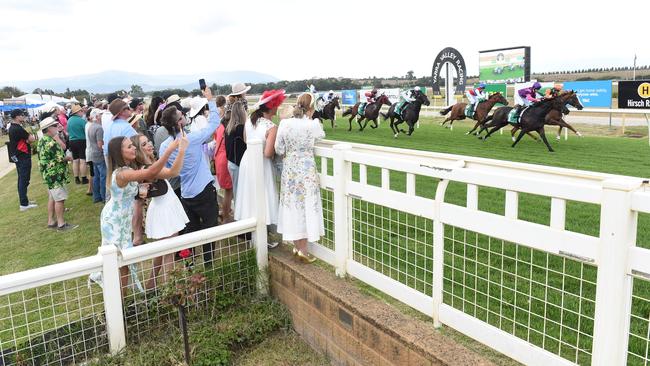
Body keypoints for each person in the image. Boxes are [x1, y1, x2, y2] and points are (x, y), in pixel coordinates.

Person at [90, 135, 180, 292]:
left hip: (124, 219)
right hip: (114, 220)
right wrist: (171, 149)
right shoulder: (122, 173)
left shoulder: (128, 170)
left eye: (133, 145)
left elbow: (128, 191)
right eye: (129, 146)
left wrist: (139, 190)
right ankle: (115, 300)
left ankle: (120, 300)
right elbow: (152, 171)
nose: (134, 148)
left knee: (124, 262)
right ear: (120, 152)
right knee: (117, 260)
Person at [159, 87, 221, 265]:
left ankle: (190, 264)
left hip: (186, 192)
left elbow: (171, 168)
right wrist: (210, 99)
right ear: (179, 122)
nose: (185, 115)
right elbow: (213, 123)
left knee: (190, 231)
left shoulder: (165, 146)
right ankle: (209, 263)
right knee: (209, 228)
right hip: (203, 190)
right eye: (181, 115)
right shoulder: (191, 139)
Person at [130, 133, 189, 289]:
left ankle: (151, 285)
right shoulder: (148, 168)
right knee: (169, 252)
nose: (149, 145)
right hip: (164, 210)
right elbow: (173, 173)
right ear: (137, 151)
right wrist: (181, 151)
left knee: (161, 252)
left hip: (165, 206)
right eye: (144, 144)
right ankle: (171, 290)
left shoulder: (149, 164)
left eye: (148, 142)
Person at [274, 93, 325, 263]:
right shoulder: (313, 125)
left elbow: (279, 148)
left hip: (290, 170)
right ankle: (302, 250)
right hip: (307, 169)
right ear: (311, 109)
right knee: (306, 206)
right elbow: (321, 135)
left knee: (293, 206)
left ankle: (297, 247)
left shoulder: (285, 124)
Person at [234, 90, 285, 248]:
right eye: (276, 106)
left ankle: (254, 237)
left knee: (249, 195)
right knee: (263, 196)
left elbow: (245, 139)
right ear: (272, 108)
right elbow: (268, 153)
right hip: (261, 164)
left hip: (247, 161)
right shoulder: (271, 127)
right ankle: (262, 238)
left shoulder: (250, 120)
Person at [37, 117, 76, 230]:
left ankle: (51, 221)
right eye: (54, 126)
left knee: (52, 197)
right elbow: (61, 158)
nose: (56, 127)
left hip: (49, 174)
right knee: (60, 199)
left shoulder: (42, 140)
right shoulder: (51, 143)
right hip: (55, 175)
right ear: (48, 129)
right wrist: (69, 158)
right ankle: (61, 223)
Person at [7, 109, 37, 211]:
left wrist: (27, 139)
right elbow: (32, 139)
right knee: (24, 180)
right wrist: (28, 138)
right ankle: (24, 204)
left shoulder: (13, 127)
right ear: (17, 117)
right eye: (22, 115)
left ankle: (24, 201)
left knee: (22, 179)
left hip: (19, 156)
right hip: (22, 155)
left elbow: (28, 139)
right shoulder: (17, 128)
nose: (23, 116)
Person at [225, 100, 247, 201]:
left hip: (230, 162)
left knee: (236, 190)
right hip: (238, 163)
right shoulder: (241, 128)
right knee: (240, 192)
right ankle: (239, 215)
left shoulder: (229, 127)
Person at [213, 110, 233, 223]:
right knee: (228, 192)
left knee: (228, 191)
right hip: (225, 160)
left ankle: (226, 212)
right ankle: (226, 216)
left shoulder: (220, 127)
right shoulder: (227, 130)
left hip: (219, 158)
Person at [87, 108, 106, 203]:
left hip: (93, 154)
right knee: (103, 176)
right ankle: (103, 197)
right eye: (100, 115)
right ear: (97, 117)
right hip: (99, 154)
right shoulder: (99, 128)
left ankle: (96, 196)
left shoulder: (90, 126)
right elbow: (100, 144)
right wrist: (105, 149)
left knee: (96, 176)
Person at [67, 104, 88, 185]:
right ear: (78, 112)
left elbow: (68, 131)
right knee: (83, 160)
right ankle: (84, 178)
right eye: (81, 111)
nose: (82, 112)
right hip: (81, 141)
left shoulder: (69, 120)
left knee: (75, 160)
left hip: (72, 141)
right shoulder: (81, 121)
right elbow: (86, 131)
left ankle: (76, 178)